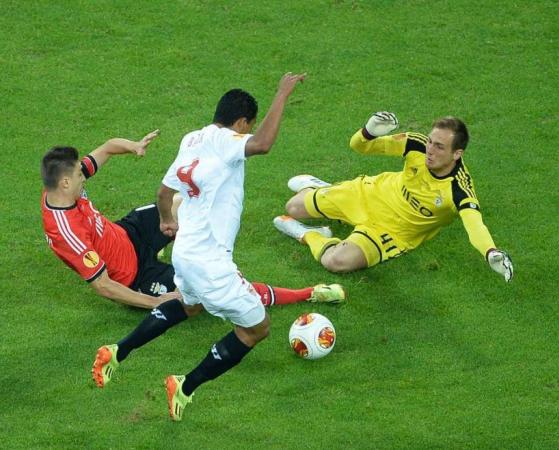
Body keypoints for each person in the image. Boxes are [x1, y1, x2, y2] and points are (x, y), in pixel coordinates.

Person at [92, 72, 308, 422]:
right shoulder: (228, 141)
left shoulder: (192, 139)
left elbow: (164, 192)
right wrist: (282, 93)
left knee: (188, 306)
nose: (247, 132)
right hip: (210, 263)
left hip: (185, 255)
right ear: (241, 122)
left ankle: (119, 350)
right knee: (258, 328)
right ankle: (185, 385)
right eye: (246, 126)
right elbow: (264, 144)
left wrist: (166, 221)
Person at [40, 137, 346, 310]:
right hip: (134, 276)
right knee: (206, 294)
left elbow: (105, 148)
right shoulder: (67, 234)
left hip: (128, 232)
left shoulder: (62, 187)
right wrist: (156, 301)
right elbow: (105, 286)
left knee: (180, 205)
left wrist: (133, 146)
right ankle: (308, 293)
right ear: (66, 182)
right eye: (80, 176)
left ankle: (186, 250)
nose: (84, 177)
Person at [273, 111, 514, 281]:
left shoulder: (459, 188)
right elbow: (360, 147)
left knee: (335, 262)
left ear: (457, 154)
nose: (430, 150)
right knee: (292, 207)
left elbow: (475, 225)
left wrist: (490, 252)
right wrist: (368, 132)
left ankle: (311, 235)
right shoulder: (416, 145)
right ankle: (323, 187)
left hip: (392, 232)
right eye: (431, 141)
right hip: (370, 194)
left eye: (440, 147)